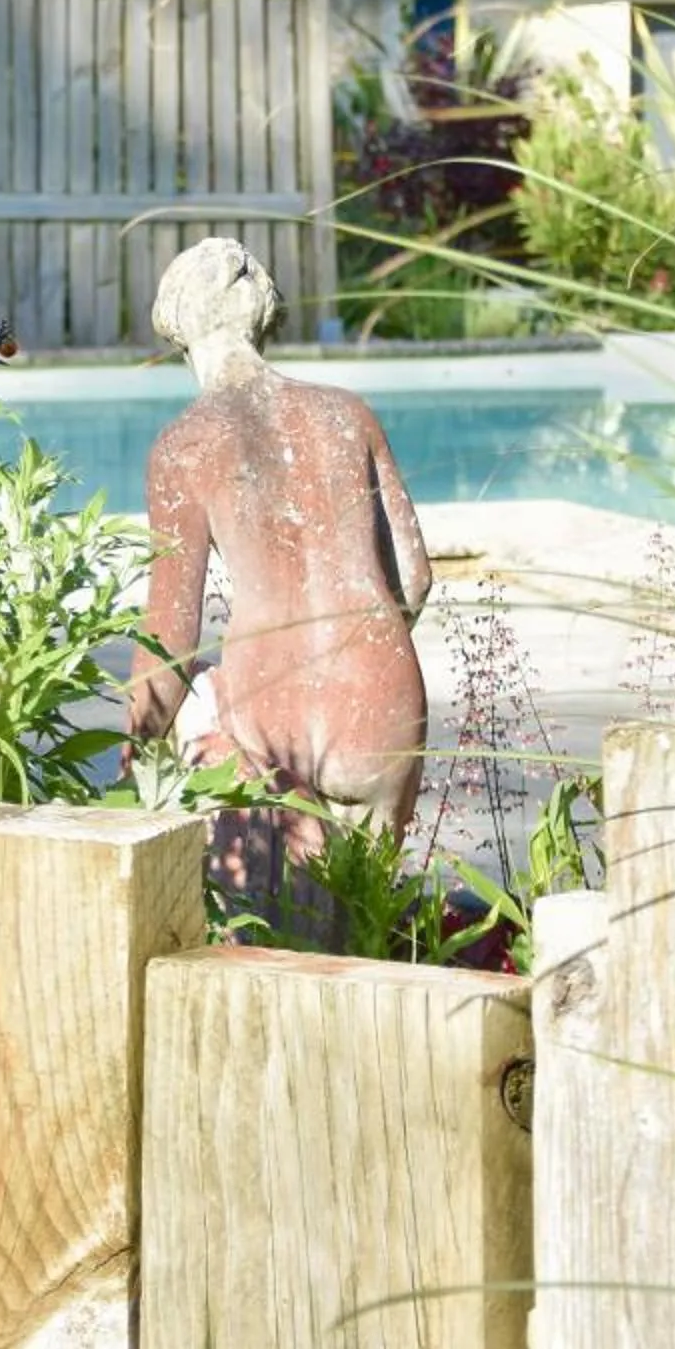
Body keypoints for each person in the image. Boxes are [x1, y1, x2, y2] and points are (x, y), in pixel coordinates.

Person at [127, 238, 433, 920]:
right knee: (371, 920)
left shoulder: (184, 445)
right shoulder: (347, 412)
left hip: (277, 714)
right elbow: (414, 581)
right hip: (385, 701)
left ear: (183, 331)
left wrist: (131, 754)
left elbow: (170, 642)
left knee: (297, 929)